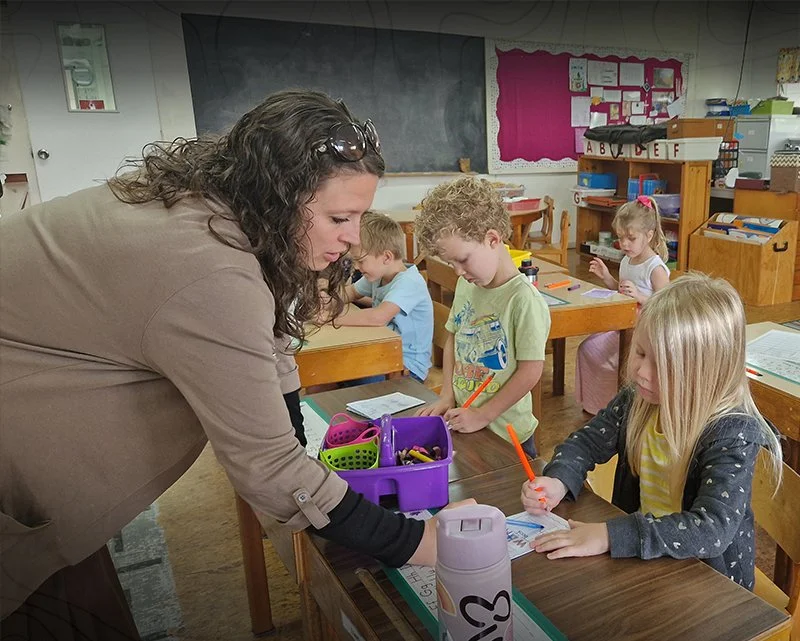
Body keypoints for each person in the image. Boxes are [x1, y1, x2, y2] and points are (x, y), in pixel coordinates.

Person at [0, 89, 471, 640]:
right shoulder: (208, 265)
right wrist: (417, 543)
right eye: (341, 217)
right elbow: (266, 467)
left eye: (362, 217)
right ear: (278, 195)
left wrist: (295, 447)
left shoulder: (220, 209)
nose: (351, 240)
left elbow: (271, 348)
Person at [521, 273, 783, 590]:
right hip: (645, 561)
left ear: (706, 374)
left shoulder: (732, 432)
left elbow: (712, 529)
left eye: (663, 365)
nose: (642, 373)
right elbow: (586, 442)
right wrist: (559, 479)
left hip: (710, 586)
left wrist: (609, 535)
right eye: (642, 353)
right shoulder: (638, 400)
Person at [414, 176, 550, 456]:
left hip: (508, 437)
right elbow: (453, 338)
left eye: (462, 259)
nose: (458, 271)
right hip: (468, 423)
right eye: (451, 263)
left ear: (492, 239)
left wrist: (485, 415)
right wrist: (447, 395)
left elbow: (530, 371)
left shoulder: (523, 299)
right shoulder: (468, 283)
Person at [575, 195, 670, 415]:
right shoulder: (628, 259)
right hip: (621, 322)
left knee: (595, 353)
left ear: (649, 235)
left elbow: (666, 305)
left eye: (631, 238)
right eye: (620, 237)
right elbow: (621, 288)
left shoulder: (655, 267)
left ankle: (613, 407)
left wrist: (639, 297)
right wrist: (607, 277)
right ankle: (598, 405)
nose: (624, 244)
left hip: (642, 330)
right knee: (586, 349)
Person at [330, 211, 433, 383]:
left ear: (386, 257)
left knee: (346, 376)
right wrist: (326, 302)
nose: (356, 267)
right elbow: (350, 293)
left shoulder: (409, 282)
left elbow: (378, 317)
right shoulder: (378, 275)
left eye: (361, 261)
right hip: (381, 352)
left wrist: (331, 317)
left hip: (407, 366)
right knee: (333, 370)